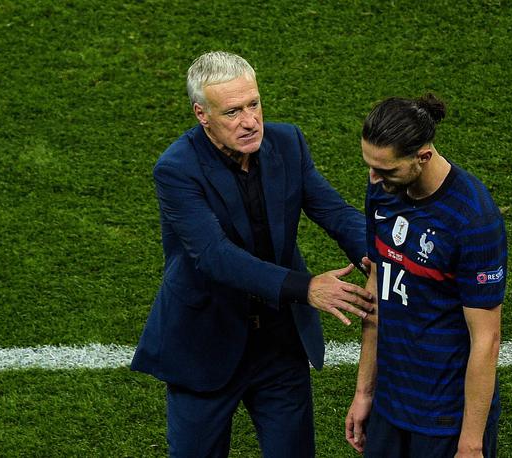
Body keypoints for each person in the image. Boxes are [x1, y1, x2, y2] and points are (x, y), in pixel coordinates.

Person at [130, 51, 374, 458]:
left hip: (280, 345)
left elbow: (332, 211)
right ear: (201, 114)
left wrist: (380, 255)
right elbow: (214, 256)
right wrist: (306, 287)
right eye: (232, 112)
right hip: (206, 343)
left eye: (254, 104)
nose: (249, 121)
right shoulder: (176, 168)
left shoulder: (287, 142)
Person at [345, 93, 506, 458]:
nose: (373, 178)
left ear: (423, 157)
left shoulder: (472, 219)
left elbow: (487, 339)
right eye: (370, 165)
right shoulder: (383, 190)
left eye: (385, 170)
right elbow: (377, 286)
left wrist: (470, 444)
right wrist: (364, 392)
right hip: (389, 403)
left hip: (445, 419)